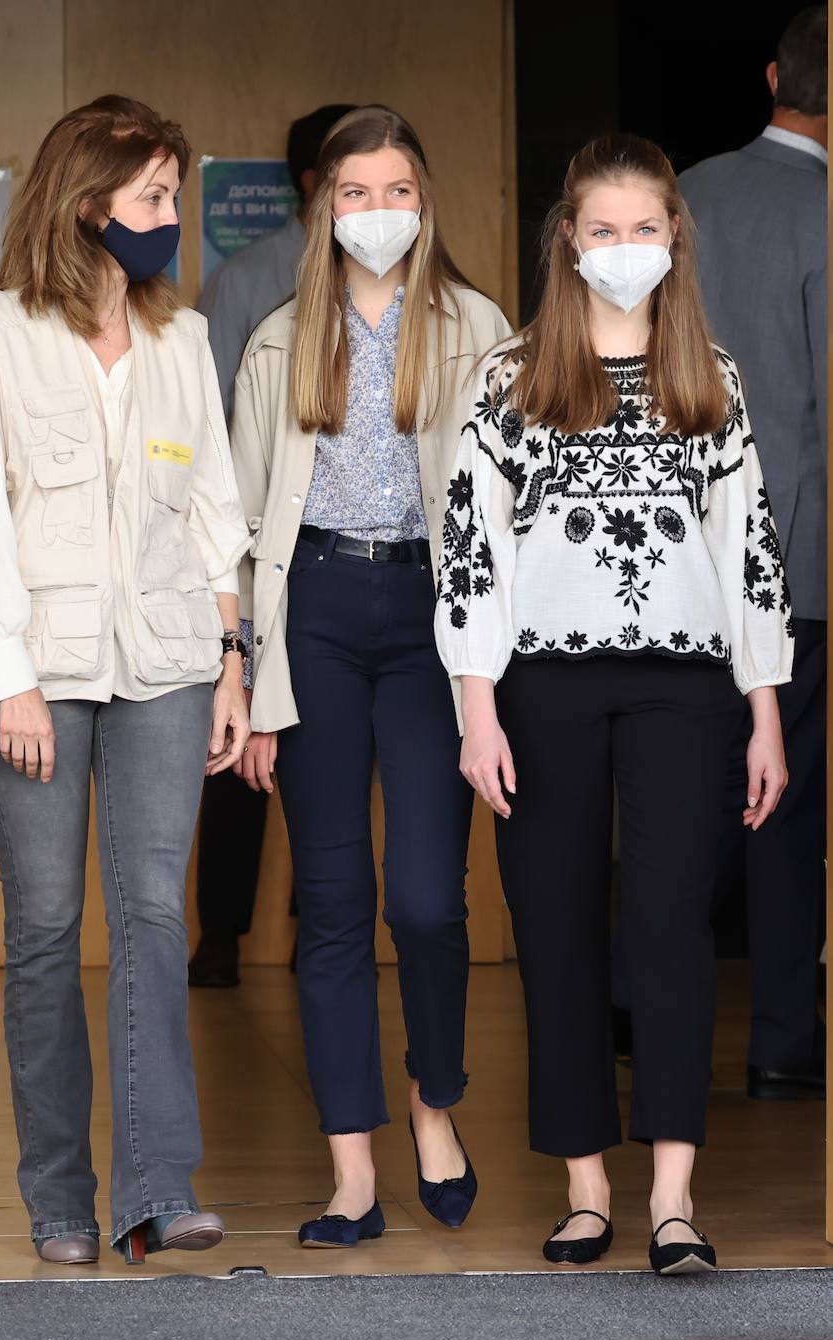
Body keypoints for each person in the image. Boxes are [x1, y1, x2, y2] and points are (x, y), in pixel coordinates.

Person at [435, 133, 792, 1276]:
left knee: (671, 931)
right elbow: (467, 554)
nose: (624, 249)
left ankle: (673, 1201)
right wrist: (475, 711)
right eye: (603, 230)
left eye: (645, 230)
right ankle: (585, 1189)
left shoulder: (713, 379)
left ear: (674, 240)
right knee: (554, 930)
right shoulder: (509, 378)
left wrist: (766, 709)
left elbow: (751, 556)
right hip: (541, 688)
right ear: (568, 241)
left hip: (687, 691)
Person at [0, 95, 250, 1266]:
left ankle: (158, 1188)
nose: (173, 217)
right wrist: (9, 676)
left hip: (166, 662)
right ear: (88, 206)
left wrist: (230, 662)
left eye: (173, 195)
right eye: (156, 197)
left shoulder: (184, 340)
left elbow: (217, 515)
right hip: (33, 672)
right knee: (48, 927)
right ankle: (60, 1194)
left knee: (156, 918)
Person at [230, 105, 511, 1247]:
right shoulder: (277, 339)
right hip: (317, 621)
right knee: (336, 902)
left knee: (427, 901)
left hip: (435, 620)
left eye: (398, 191)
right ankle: (353, 1167)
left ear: (426, 202)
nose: (378, 213)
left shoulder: (482, 330)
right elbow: (244, 530)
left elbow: (509, 510)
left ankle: (431, 1107)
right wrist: (240, 678)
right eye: (355, 193)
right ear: (322, 206)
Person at [678, 4, 827, 1101]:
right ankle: (780, 1039)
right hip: (798, 553)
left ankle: (634, 1015)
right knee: (789, 807)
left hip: (667, 558)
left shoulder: (678, 195)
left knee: (670, 793)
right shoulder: (825, 211)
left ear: (773, 74)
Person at [190, 103, 355, 989]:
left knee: (320, 746)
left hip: (340, 558)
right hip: (253, 551)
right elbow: (207, 424)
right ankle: (222, 935)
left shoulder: (408, 284)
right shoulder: (252, 280)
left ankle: (303, 930)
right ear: (312, 183)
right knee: (239, 731)